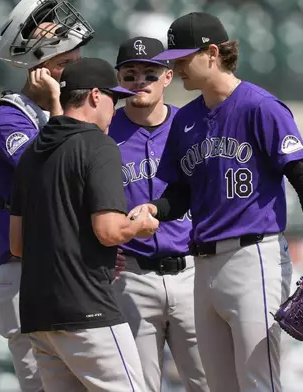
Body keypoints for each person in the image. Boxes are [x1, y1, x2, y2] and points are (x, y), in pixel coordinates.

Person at [130, 12, 303, 392]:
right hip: (203, 265)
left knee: (259, 381)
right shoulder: (186, 120)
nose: (175, 69)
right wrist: (156, 209)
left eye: (182, 58)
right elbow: (180, 193)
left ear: (212, 53)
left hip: (252, 257)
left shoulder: (261, 107)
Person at [9, 57, 158, 392]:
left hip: (39, 316)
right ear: (94, 95)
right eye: (113, 98)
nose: (115, 108)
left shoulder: (32, 152)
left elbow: (17, 244)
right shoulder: (97, 144)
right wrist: (139, 226)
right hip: (86, 308)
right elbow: (108, 231)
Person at [0, 1, 94, 390]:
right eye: (65, 63)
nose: (74, 71)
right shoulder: (5, 119)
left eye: (77, 60)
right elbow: (51, 170)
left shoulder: (81, 112)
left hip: (70, 269)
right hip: (23, 269)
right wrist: (61, 106)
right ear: (39, 68)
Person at [109, 37, 208, 392]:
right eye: (130, 73)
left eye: (150, 73)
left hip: (191, 272)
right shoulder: (104, 131)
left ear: (167, 77)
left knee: (209, 382)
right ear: (118, 78)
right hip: (132, 275)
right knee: (137, 386)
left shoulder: (191, 126)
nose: (140, 81)